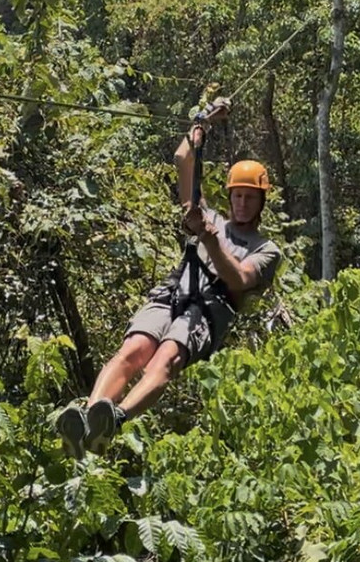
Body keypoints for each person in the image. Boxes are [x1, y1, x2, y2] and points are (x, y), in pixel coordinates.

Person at [56, 110, 282, 458]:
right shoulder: (211, 218)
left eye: (249, 197)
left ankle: (115, 421)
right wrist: (202, 124)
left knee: (165, 358)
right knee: (132, 351)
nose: (241, 203)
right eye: (237, 195)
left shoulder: (266, 250)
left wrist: (208, 238)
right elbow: (182, 158)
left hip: (207, 312)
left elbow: (238, 279)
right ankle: (89, 419)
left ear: (261, 202)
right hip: (174, 293)